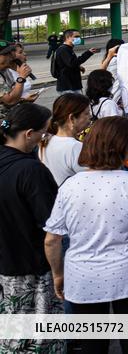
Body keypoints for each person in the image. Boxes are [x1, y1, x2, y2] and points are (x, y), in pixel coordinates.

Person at [44, 116, 128, 354]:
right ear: (123, 147)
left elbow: (52, 239)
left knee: (93, 345)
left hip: (83, 278)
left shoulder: (69, 185)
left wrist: (58, 274)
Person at [0, 104, 62, 354]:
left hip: (5, 264)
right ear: (29, 134)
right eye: (45, 132)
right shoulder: (31, 170)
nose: (45, 138)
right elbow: (51, 229)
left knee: (12, 333)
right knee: (40, 338)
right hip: (32, 266)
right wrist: (58, 271)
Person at [39, 93, 90, 187]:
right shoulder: (75, 147)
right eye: (86, 113)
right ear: (72, 118)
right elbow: (92, 179)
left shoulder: (45, 140)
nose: (89, 117)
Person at [52, 29, 100, 94]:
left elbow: (68, 64)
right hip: (68, 86)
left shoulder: (68, 49)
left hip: (72, 85)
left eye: (79, 37)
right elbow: (72, 63)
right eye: (76, 37)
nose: (79, 38)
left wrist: (78, 67)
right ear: (68, 37)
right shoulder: (63, 49)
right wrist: (88, 53)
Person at [0, 39, 33, 120]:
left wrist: (22, 100)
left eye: (12, 53)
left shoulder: (6, 71)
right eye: (7, 54)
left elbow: (13, 95)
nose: (12, 56)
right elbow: (10, 100)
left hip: (9, 117)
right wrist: (21, 78)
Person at [99, 39, 124, 104]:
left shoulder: (109, 59)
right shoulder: (115, 59)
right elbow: (101, 71)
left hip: (112, 91)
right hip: (116, 92)